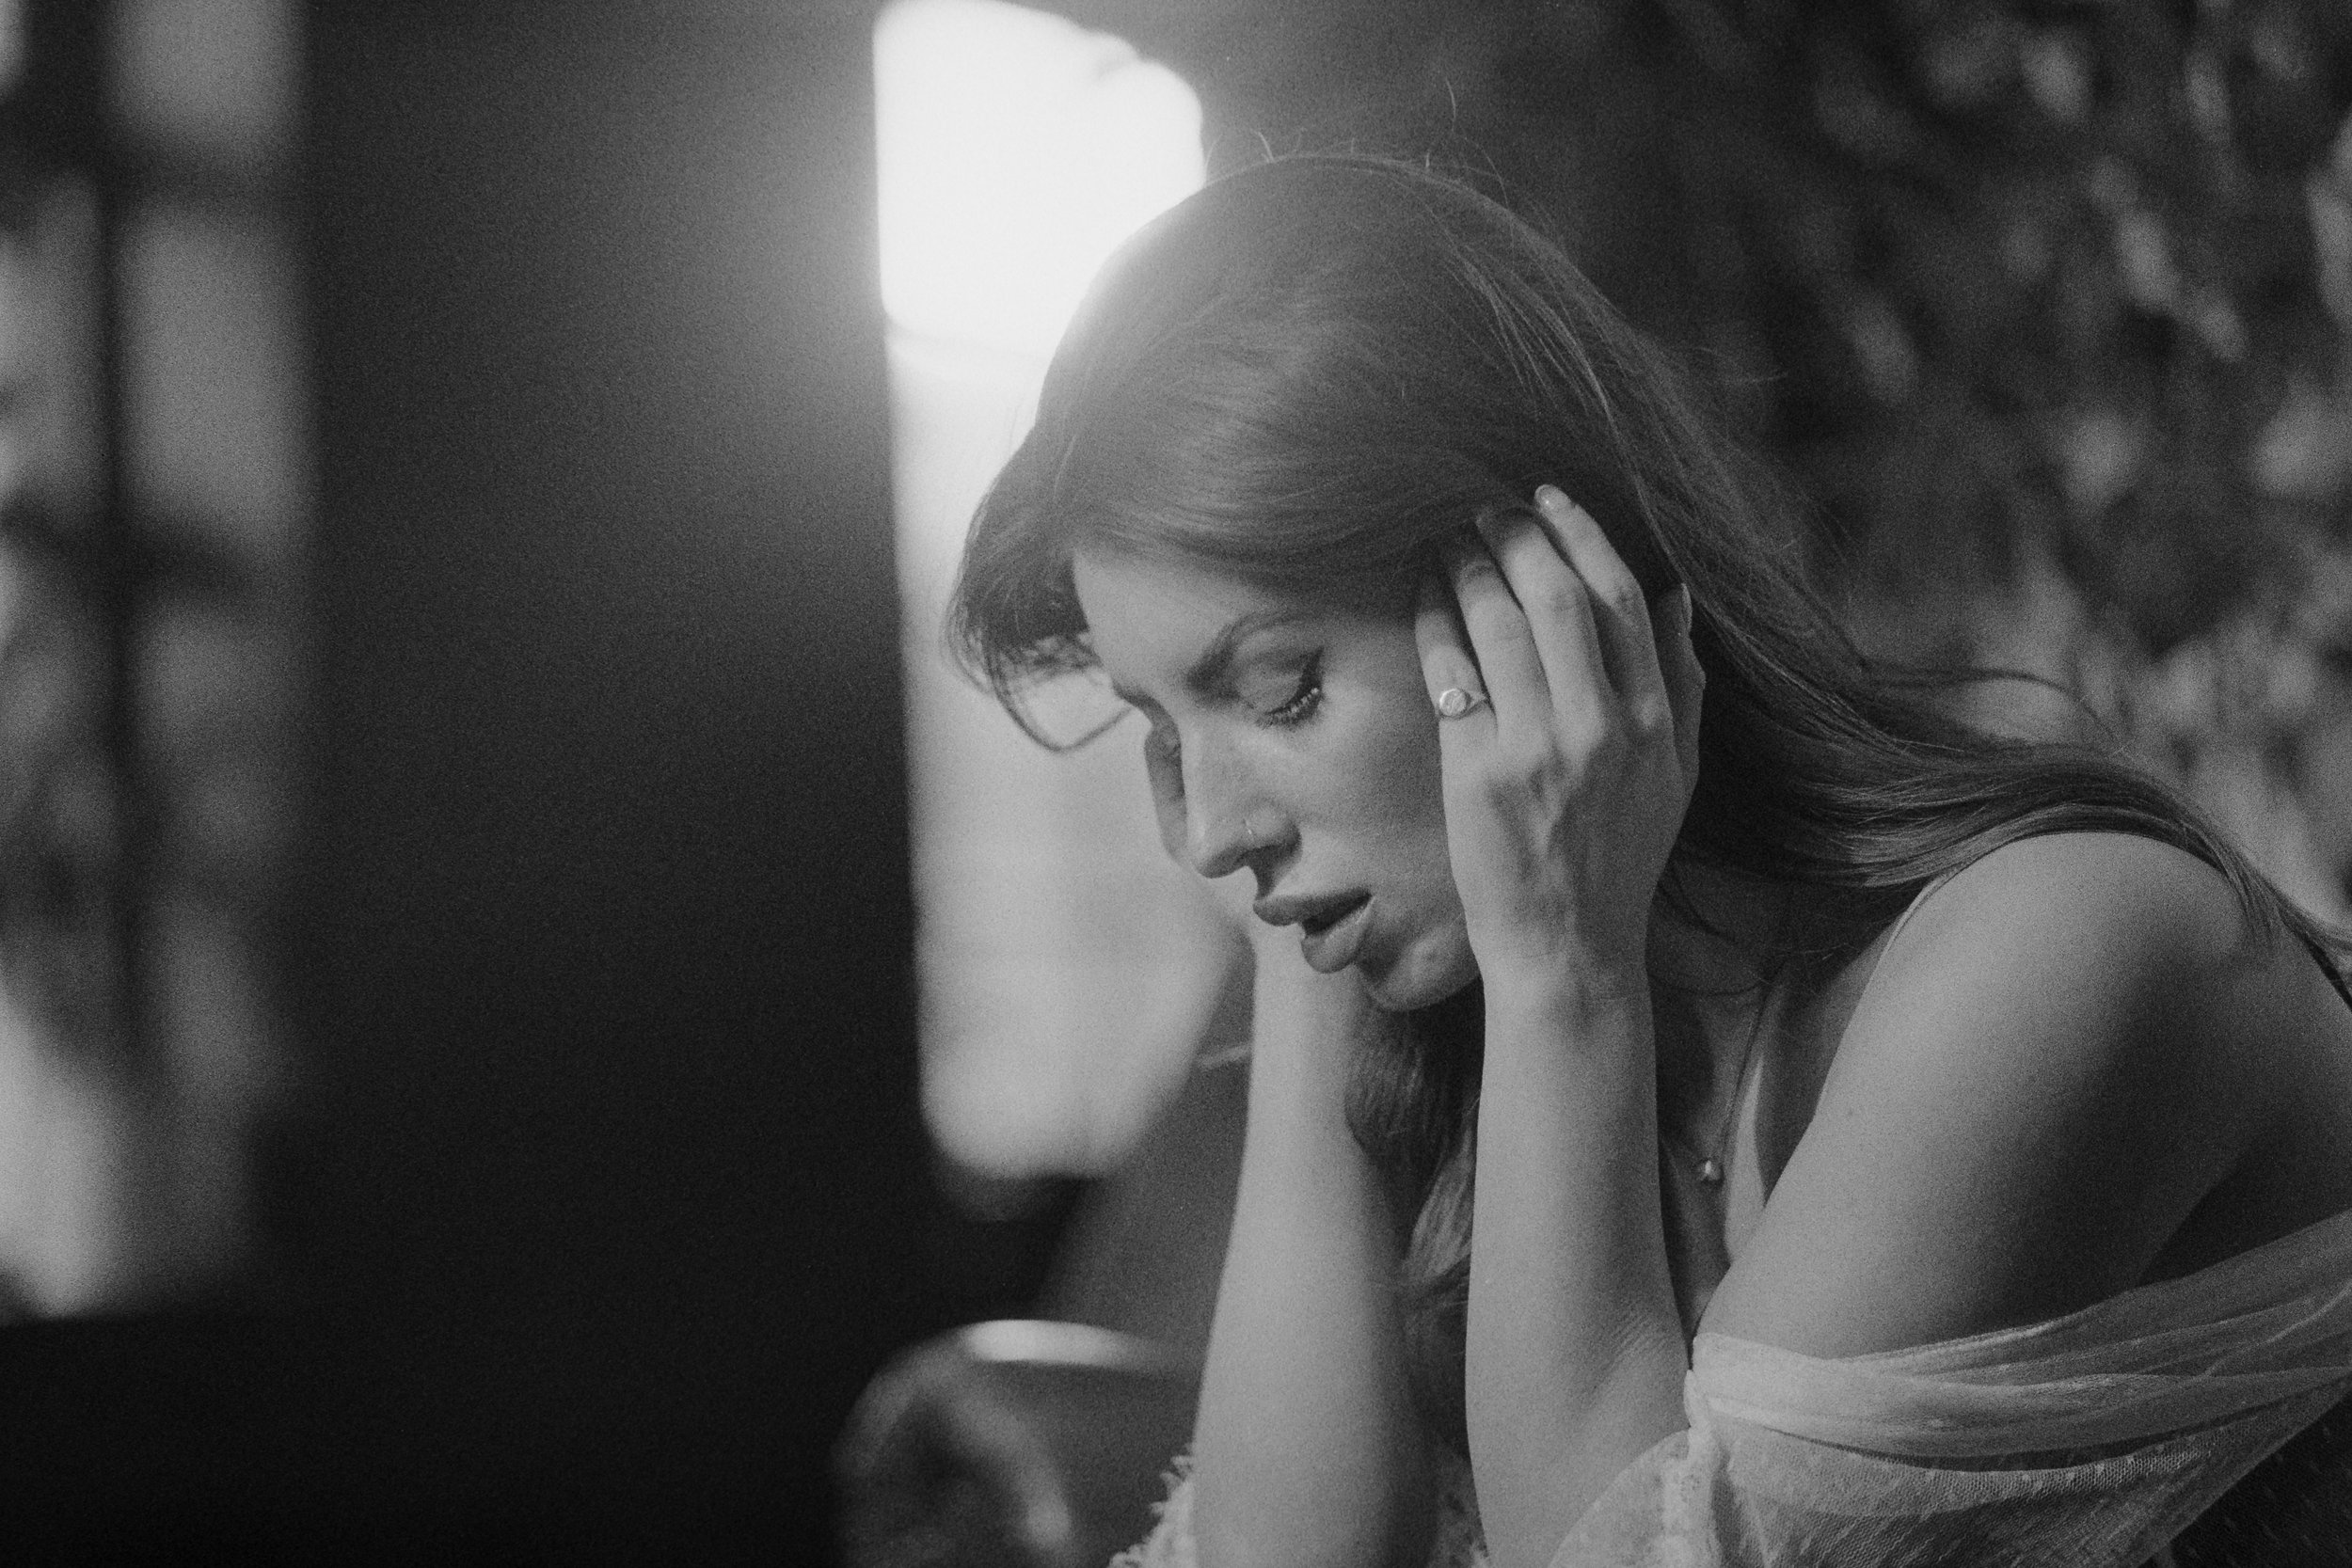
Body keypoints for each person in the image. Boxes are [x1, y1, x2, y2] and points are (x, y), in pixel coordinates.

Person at [947, 154, 2352, 1568]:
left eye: (1282, 687)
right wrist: (1313, 968)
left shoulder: (2062, 952)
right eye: (1160, 726)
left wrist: (1563, 975)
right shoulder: (1539, 1068)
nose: (1203, 832)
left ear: (1543, 601)